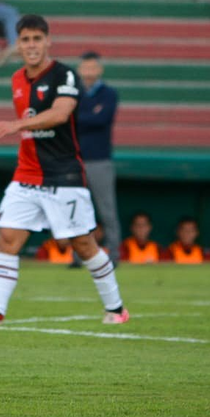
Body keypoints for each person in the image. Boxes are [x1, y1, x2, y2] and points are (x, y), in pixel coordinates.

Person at [0, 14, 127, 326]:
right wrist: (20, 128)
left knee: (83, 244)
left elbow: (61, 114)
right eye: (25, 40)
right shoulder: (17, 79)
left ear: (48, 41)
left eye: (37, 39)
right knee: (7, 238)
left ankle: (116, 309)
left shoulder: (65, 75)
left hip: (63, 175)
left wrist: (17, 125)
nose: (32, 45)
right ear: (18, 44)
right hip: (26, 174)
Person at [75, 50, 121, 264]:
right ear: (79, 69)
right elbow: (70, 119)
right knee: (76, 211)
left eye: (93, 67)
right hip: (76, 159)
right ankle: (77, 256)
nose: (89, 71)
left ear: (100, 69)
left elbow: (102, 119)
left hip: (100, 160)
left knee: (107, 209)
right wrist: (90, 116)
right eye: (86, 67)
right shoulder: (73, 93)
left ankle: (114, 254)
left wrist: (80, 118)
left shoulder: (109, 94)